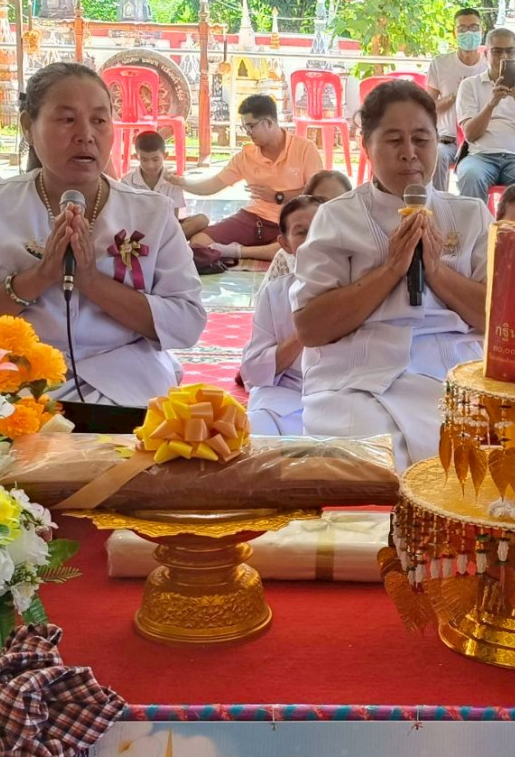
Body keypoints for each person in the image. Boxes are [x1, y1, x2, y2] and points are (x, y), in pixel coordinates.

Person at [0, 62, 206, 411]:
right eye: (67, 119)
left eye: (99, 120)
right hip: (16, 383)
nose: (86, 135)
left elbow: (187, 322)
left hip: (129, 381)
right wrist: (37, 278)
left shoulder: (152, 212)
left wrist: (91, 281)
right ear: (29, 127)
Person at [292, 80, 489, 468]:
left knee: (468, 463)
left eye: (421, 139)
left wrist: (435, 271)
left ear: (439, 143)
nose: (410, 154)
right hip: (353, 375)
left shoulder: (471, 215)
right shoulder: (338, 216)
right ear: (367, 146)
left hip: (451, 371)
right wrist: (391, 270)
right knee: (363, 462)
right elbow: (310, 328)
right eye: (394, 140)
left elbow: (498, 320)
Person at [180, 94, 323, 271]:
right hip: (255, 218)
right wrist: (183, 183)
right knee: (199, 241)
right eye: (244, 127)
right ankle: (240, 251)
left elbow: (317, 194)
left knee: (298, 247)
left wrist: (278, 196)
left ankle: (238, 252)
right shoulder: (247, 155)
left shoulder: (305, 149)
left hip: (292, 218)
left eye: (250, 126)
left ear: (269, 123)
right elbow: (214, 184)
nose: (247, 132)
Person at [241, 193, 322, 435]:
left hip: (345, 395)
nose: (313, 239)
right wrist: (304, 330)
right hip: (284, 396)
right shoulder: (275, 294)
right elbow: (253, 371)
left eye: (320, 227)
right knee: (255, 436)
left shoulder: (359, 285)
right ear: (285, 243)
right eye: (301, 232)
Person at [454, 29, 515, 200]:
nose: (504, 57)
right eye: (497, 51)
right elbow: (470, 135)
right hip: (480, 157)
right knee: (471, 177)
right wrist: (492, 103)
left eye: (510, 51)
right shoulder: (470, 85)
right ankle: (476, 226)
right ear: (486, 54)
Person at [427, 5, 487, 186]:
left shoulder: (490, 67)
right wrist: (455, 95)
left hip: (481, 140)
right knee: (436, 156)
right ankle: (438, 208)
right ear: (455, 33)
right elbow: (427, 107)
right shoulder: (440, 63)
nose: (469, 33)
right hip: (447, 140)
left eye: (474, 28)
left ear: (482, 31)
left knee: (477, 171)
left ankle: (474, 212)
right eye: (462, 29)